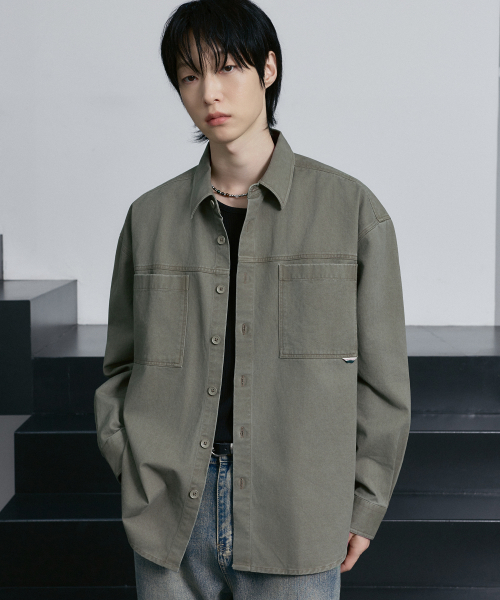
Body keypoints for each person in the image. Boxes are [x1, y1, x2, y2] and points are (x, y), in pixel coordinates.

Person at [94, 0, 412, 598]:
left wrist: (364, 504)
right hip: (169, 516)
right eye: (189, 75)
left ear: (268, 69)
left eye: (227, 68)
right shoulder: (149, 218)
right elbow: (121, 367)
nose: (209, 92)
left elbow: (383, 381)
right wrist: (131, 467)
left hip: (298, 511)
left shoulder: (351, 212)